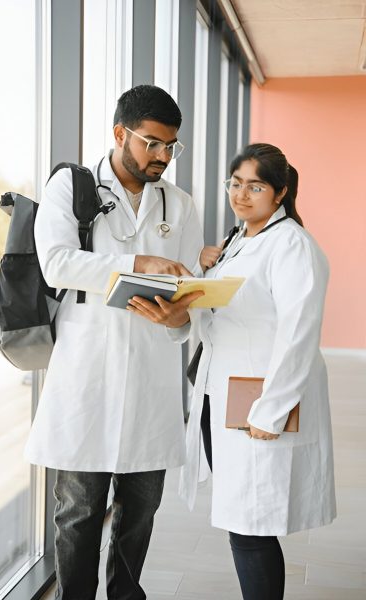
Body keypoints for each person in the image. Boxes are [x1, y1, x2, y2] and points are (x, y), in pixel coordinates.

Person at [127, 143, 337, 599]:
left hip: (258, 400)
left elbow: (299, 334)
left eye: (255, 186)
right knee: (243, 518)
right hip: (221, 394)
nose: (241, 195)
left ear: (279, 193)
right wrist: (180, 313)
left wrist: (271, 412)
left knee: (251, 525)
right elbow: (225, 317)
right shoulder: (238, 240)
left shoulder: (293, 246)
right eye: (235, 184)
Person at [24, 84, 204, 600]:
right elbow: (57, 262)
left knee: (140, 512)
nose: (163, 157)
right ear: (120, 133)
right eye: (152, 143)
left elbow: (186, 289)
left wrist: (177, 318)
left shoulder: (180, 204)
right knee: (79, 513)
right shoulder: (72, 187)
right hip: (87, 376)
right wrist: (137, 263)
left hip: (151, 380)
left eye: (172, 146)